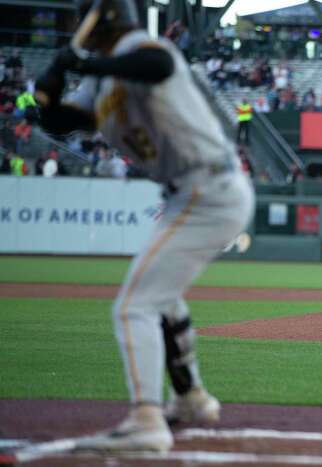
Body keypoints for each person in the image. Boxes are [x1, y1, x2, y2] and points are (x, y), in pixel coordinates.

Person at [34, 0, 254, 453]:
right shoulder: (98, 78)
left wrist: (88, 61)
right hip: (185, 195)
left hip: (209, 187)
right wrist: (51, 89)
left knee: (133, 306)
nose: (81, 27)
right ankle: (191, 397)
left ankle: (146, 421)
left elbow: (155, 65)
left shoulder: (140, 46)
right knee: (161, 299)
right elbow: (62, 122)